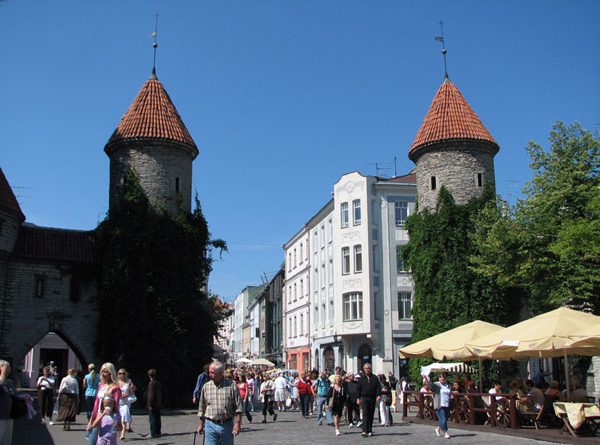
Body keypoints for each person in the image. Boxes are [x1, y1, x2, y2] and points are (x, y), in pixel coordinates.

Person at [196, 361, 243, 445]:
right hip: (210, 424)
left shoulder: (231, 386)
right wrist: (201, 424)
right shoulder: (206, 386)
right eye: (209, 372)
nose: (210, 375)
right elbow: (202, 407)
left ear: (221, 373)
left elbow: (239, 407)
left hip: (226, 425)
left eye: (213, 373)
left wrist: (238, 423)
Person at [86, 362, 122, 445]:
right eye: (102, 371)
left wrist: (117, 421)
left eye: (105, 371)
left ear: (111, 373)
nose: (102, 373)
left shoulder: (115, 388)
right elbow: (96, 404)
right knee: (92, 442)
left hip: (107, 419)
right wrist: (91, 420)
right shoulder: (101, 386)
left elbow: (116, 406)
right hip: (97, 416)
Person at [357, 363, 381, 437]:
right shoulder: (361, 378)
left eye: (368, 368)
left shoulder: (375, 378)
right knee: (365, 414)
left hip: (372, 398)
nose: (367, 370)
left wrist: (378, 395)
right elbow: (358, 389)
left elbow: (378, 387)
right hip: (364, 398)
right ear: (363, 369)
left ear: (371, 369)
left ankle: (370, 429)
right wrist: (358, 398)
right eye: (365, 368)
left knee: (371, 414)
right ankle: (364, 430)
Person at [426, 373, 452, 439]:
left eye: (443, 377)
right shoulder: (437, 385)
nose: (442, 378)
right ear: (438, 378)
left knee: (445, 419)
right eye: (440, 377)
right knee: (443, 419)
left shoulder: (448, 385)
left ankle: (438, 429)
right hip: (439, 405)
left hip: (446, 404)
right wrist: (426, 377)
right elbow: (430, 386)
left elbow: (449, 393)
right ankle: (446, 433)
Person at [117, 368, 136, 440]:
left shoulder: (129, 381)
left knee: (123, 418)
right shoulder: (116, 382)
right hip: (118, 403)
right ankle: (120, 432)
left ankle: (123, 434)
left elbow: (133, 390)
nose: (122, 375)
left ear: (125, 374)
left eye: (123, 373)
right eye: (120, 373)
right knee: (118, 419)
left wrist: (130, 391)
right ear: (118, 374)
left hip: (125, 403)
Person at [0, 360, 15, 444]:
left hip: (8, 416)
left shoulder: (9, 382)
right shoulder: (2, 381)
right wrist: (2, 375)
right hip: (0, 416)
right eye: (5, 367)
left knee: (6, 441)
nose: (8, 370)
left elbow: (12, 394)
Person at [144, 368, 162, 439]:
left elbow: (151, 395)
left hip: (153, 404)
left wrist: (149, 404)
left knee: (152, 419)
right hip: (157, 404)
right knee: (157, 418)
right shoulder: (158, 383)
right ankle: (158, 432)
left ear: (149, 375)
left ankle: (153, 433)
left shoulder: (151, 383)